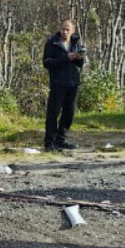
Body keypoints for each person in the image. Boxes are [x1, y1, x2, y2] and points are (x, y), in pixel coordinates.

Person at [42, 19, 86, 150]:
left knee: (69, 113)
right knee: (53, 113)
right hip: (58, 83)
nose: (65, 32)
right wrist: (66, 58)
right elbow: (47, 63)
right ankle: (49, 142)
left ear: (73, 31)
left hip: (73, 83)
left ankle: (61, 140)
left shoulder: (75, 43)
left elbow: (80, 65)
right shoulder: (52, 42)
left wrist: (79, 57)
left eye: (68, 30)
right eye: (63, 29)